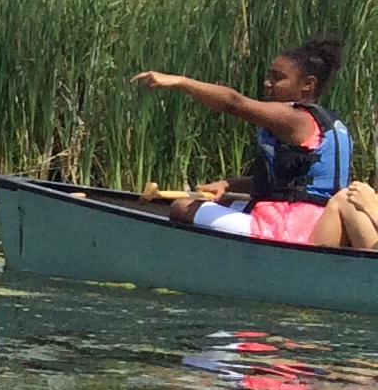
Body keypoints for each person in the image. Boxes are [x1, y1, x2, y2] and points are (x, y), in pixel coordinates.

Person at [134, 37, 357, 243]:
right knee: (223, 201)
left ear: (307, 85)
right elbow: (286, 183)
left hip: (295, 227)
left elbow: (234, 103)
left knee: (181, 208)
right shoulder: (320, 121)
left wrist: (180, 81)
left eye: (278, 78)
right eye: (268, 77)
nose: (268, 84)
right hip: (316, 221)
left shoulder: (294, 119)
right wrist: (228, 184)